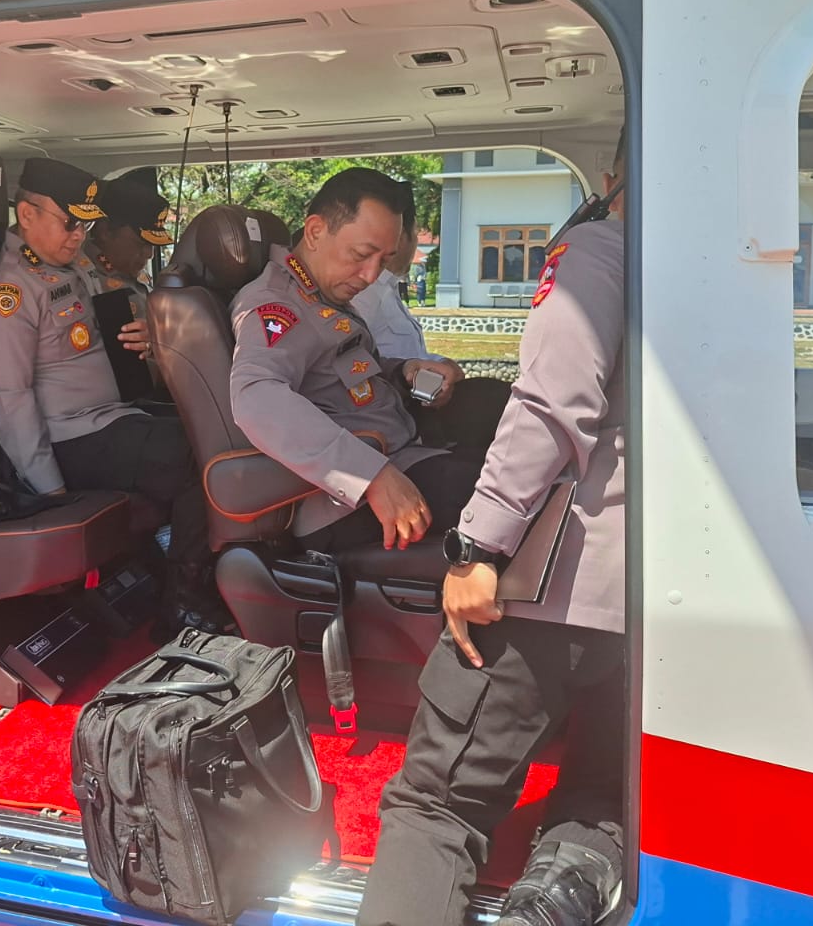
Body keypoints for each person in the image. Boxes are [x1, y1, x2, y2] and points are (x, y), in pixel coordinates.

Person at [358, 138, 628, 926]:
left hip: (557, 585)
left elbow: (549, 407)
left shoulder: (598, 248)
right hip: (645, 596)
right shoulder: (714, 268)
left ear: (611, 178)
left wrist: (477, 548)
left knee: (435, 805)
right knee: (600, 787)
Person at [0, 159, 228, 632]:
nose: (78, 236)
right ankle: (184, 599)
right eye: (70, 223)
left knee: (218, 432)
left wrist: (150, 338)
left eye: (85, 225)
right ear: (26, 215)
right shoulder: (9, 291)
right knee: (200, 458)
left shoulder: (75, 268)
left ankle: (200, 573)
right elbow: (8, 397)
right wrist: (50, 490)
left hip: (113, 417)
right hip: (72, 438)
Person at [228, 169, 483, 554]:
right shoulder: (275, 305)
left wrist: (404, 371)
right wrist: (370, 476)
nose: (370, 275)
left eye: (383, 260)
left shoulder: (320, 296)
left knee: (494, 416)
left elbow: (346, 375)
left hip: (401, 452)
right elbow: (256, 396)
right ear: (315, 231)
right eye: (362, 255)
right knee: (505, 501)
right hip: (344, 503)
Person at [350, 188, 462, 390]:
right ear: (400, 237)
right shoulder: (363, 292)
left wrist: (442, 363)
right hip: (388, 401)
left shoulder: (388, 289)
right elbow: (349, 363)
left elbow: (409, 354)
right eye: (415, 234)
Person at [79, 178, 173, 310]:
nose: (149, 254)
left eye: (152, 244)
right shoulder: (92, 283)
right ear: (105, 231)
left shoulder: (128, 270)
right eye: (140, 243)